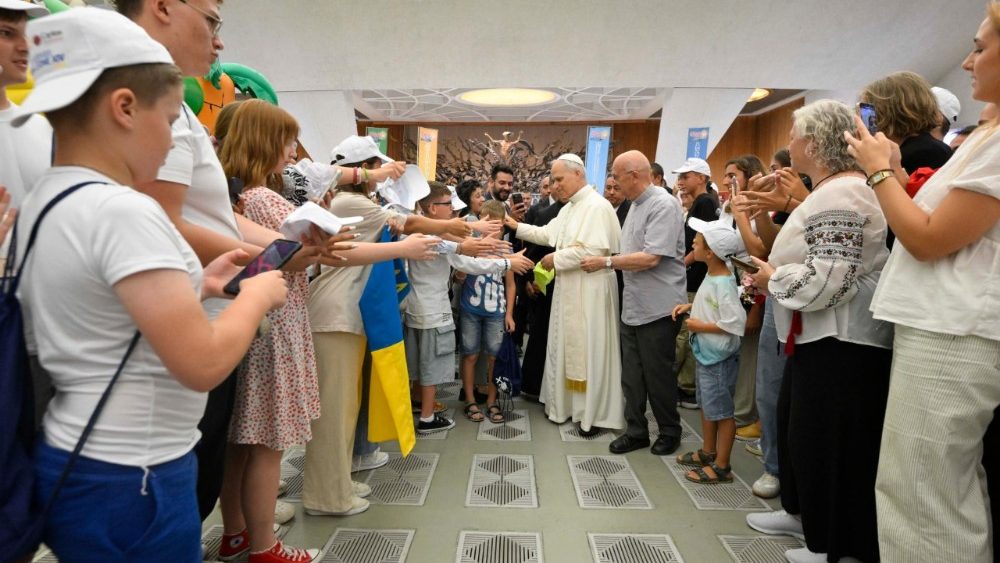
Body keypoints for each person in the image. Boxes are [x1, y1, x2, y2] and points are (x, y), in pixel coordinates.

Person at [13, 9, 288, 561]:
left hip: (78, 455)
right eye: (168, 119)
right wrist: (256, 296)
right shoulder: (124, 211)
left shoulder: (48, 198)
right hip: (134, 475)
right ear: (124, 108)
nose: (173, 141)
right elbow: (202, 363)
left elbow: (97, 314)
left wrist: (200, 287)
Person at [845, 8, 1000, 560]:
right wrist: (888, 168)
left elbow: (929, 239)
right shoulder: (986, 138)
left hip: (955, 330)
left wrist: (878, 171)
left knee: (922, 492)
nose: (967, 61)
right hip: (943, 325)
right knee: (929, 486)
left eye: (979, 48)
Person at [303, 135, 494, 518]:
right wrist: (456, 229)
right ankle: (326, 495)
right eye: (379, 169)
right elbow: (408, 223)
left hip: (349, 313)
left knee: (347, 407)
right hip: (336, 313)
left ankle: (338, 482)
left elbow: (404, 223)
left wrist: (453, 231)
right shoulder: (350, 202)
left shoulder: (358, 202)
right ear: (363, 170)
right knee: (335, 412)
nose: (385, 177)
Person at [746, 99, 892, 563]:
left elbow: (831, 279)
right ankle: (805, 516)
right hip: (818, 336)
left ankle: (834, 544)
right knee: (801, 433)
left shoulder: (844, 193)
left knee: (830, 443)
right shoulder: (831, 190)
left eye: (793, 137)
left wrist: (773, 278)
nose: (788, 146)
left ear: (812, 144)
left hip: (841, 341)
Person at [215, 100, 324, 562]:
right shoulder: (262, 198)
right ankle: (264, 546)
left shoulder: (242, 198)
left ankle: (237, 532)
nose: (292, 150)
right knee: (267, 443)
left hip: (255, 323)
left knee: (241, 443)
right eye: (286, 141)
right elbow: (288, 256)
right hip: (274, 327)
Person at [505, 153, 624, 435]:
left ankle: (593, 415)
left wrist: (554, 258)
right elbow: (547, 234)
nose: (555, 185)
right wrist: (513, 225)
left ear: (578, 174)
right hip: (570, 287)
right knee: (566, 346)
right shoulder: (571, 207)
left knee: (589, 349)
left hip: (591, 290)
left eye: (559, 179)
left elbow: (593, 252)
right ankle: (569, 407)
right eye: (554, 180)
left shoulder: (597, 206)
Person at [583, 151, 686, 456]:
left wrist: (606, 262)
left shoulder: (663, 204)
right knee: (632, 376)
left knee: (658, 375)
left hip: (659, 307)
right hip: (633, 304)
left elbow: (651, 258)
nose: (613, 184)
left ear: (635, 175)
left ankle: (669, 430)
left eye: (616, 177)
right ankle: (637, 431)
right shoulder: (634, 206)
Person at [408, 183, 531, 431]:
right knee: (432, 365)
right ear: (432, 208)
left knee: (424, 365)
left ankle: (422, 405)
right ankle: (428, 417)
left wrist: (482, 245)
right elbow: (465, 262)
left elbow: (457, 247)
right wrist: (505, 262)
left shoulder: (425, 232)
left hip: (424, 309)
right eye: (448, 206)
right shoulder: (428, 236)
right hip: (432, 310)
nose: (453, 211)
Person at [671, 219, 746, 483]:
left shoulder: (723, 283)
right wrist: (690, 307)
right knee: (708, 405)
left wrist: (699, 325)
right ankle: (708, 451)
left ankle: (722, 465)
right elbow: (712, 306)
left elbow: (735, 323)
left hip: (719, 359)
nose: (693, 243)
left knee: (722, 412)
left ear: (711, 251)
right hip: (707, 355)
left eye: (698, 241)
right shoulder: (713, 275)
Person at [459, 200, 519, 423]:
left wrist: (509, 313)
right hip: (471, 308)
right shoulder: (472, 245)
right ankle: (470, 399)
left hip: (496, 311)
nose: (493, 230)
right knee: (470, 354)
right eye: (489, 225)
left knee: (494, 357)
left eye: (497, 226)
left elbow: (510, 284)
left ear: (503, 226)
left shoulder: (507, 249)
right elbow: (459, 275)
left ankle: (492, 400)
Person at [672, 157, 720, 409]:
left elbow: (703, 241)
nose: (680, 181)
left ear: (701, 178)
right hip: (691, 277)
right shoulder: (700, 202)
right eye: (679, 177)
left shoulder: (705, 202)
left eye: (685, 176)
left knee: (688, 332)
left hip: (696, 278)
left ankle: (686, 387)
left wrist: (682, 264)